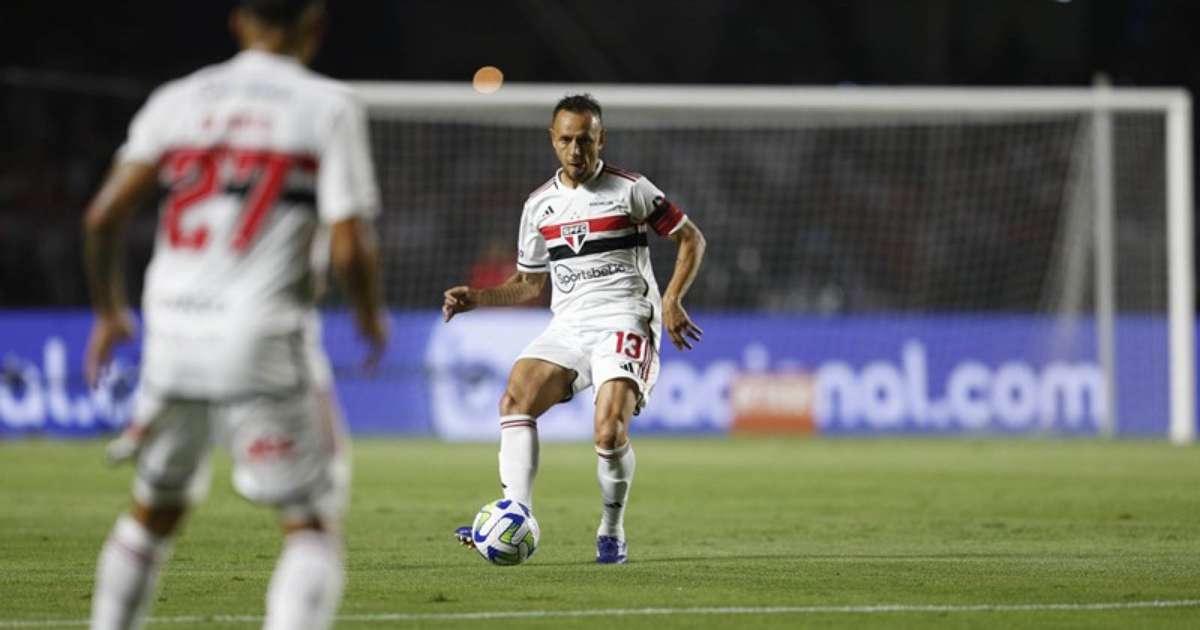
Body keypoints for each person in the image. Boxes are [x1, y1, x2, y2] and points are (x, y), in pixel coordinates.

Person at [82, 1, 387, 628]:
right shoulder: (326, 104)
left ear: (238, 21)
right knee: (310, 529)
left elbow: (103, 215)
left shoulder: (178, 99)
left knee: (154, 511)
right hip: (263, 338)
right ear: (315, 26)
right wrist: (369, 315)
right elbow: (351, 242)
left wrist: (110, 311)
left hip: (171, 337)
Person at [442, 94, 707, 564]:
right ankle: (515, 515)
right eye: (566, 140)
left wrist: (671, 299)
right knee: (515, 398)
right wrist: (478, 298)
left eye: (585, 140)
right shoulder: (539, 206)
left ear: (600, 139)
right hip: (569, 325)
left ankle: (611, 529)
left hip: (626, 317)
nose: (576, 151)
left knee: (607, 433)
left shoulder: (631, 189)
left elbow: (691, 238)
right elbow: (527, 284)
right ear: (553, 140)